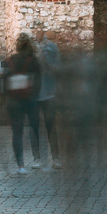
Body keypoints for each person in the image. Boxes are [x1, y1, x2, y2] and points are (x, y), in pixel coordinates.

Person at [3, 35, 44, 174]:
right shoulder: (33, 61)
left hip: (14, 101)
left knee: (17, 132)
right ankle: (37, 158)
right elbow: (38, 81)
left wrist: (6, 98)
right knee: (34, 128)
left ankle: (21, 165)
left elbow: (4, 81)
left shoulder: (9, 61)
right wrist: (35, 95)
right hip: (30, 99)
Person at [37, 39, 64, 170]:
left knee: (50, 127)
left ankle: (54, 157)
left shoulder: (52, 62)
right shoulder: (38, 61)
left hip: (48, 96)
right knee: (38, 128)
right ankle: (40, 158)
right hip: (39, 97)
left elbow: (58, 74)